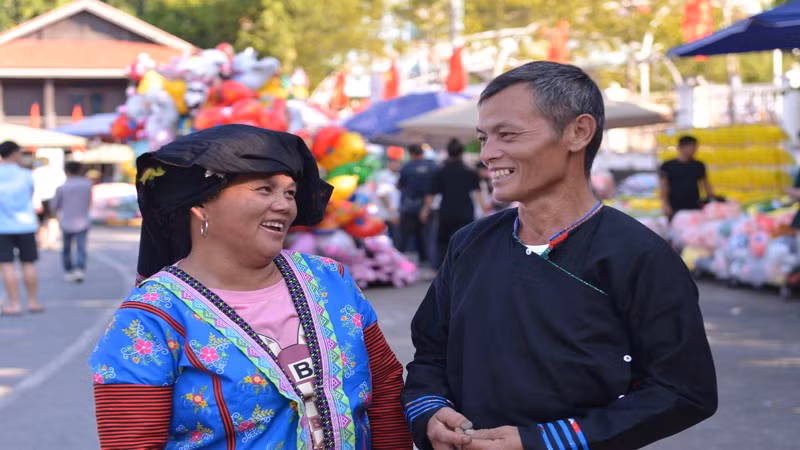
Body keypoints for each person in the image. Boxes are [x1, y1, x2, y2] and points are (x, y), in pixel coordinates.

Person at [402, 62, 717, 450]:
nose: (488, 154)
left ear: (577, 132)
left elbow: (682, 390)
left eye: (507, 135)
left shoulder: (639, 255)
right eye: (483, 138)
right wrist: (430, 411)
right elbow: (430, 355)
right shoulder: (469, 243)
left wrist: (545, 440)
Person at [90, 125, 412, 449]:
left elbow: (384, 389)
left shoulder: (331, 280)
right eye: (264, 189)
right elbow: (132, 442)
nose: (285, 205)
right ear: (201, 204)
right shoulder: (151, 317)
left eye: (289, 192)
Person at [421, 139, 487, 269]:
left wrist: (425, 210)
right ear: (461, 153)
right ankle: (465, 266)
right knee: (466, 239)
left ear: (448, 153)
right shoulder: (470, 171)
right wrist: (484, 210)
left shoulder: (440, 171)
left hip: (446, 210)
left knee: (443, 241)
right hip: (466, 209)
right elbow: (478, 193)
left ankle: (443, 268)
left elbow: (431, 194)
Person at [0, 141, 43, 315]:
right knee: (28, 263)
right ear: (15, 153)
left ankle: (14, 304)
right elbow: (31, 194)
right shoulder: (26, 174)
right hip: (26, 224)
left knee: (7, 265)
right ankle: (32, 302)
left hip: (2, 226)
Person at [52, 161, 93, 283]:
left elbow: (54, 205)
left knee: (66, 249)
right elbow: (89, 202)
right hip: (83, 221)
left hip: (66, 221)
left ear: (67, 171)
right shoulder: (87, 185)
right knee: (81, 247)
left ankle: (68, 270)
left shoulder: (62, 187)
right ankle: (80, 270)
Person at [397, 144, 436, 268]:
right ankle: (428, 263)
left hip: (409, 207)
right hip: (428, 207)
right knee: (427, 237)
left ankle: (401, 264)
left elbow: (400, 185)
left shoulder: (406, 167)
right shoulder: (432, 167)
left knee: (405, 236)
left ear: (411, 153)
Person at [659, 135, 713, 221]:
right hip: (675, 206)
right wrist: (665, 204)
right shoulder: (667, 166)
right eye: (692, 147)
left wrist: (711, 200)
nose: (695, 150)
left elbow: (705, 183)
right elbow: (664, 186)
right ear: (682, 147)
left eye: (696, 147)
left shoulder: (698, 165)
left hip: (694, 205)